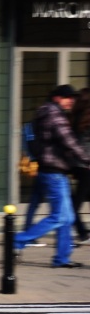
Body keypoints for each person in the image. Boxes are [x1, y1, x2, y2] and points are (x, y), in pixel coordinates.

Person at [13, 85, 90, 268]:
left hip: (56, 170)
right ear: (57, 98)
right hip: (53, 171)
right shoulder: (54, 114)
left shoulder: (49, 112)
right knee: (59, 217)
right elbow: (68, 141)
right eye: (67, 97)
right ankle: (17, 240)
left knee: (68, 217)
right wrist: (86, 158)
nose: (71, 100)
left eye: (72, 97)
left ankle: (62, 258)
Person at [71, 87, 90, 242]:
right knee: (76, 203)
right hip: (86, 164)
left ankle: (82, 231)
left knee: (77, 200)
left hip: (77, 163)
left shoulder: (75, 117)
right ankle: (81, 233)